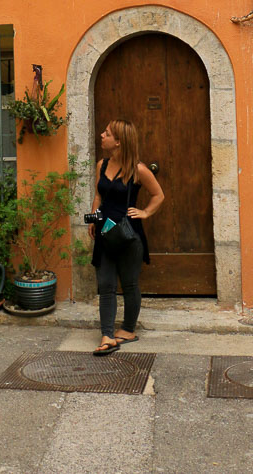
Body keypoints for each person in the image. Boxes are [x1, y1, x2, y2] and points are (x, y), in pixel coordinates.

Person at [88, 118, 164, 355]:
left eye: (107, 133)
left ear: (119, 142)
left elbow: (158, 195)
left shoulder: (138, 170)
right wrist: (93, 215)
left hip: (128, 234)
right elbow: (99, 196)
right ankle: (107, 334)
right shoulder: (102, 164)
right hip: (104, 232)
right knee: (106, 284)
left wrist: (144, 212)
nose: (102, 135)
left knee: (130, 284)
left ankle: (129, 329)